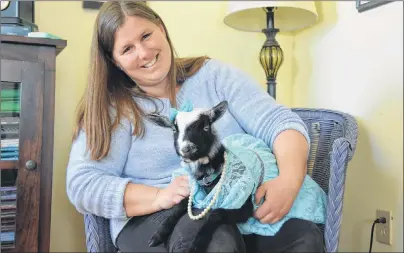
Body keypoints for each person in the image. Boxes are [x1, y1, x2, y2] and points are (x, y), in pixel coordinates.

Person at [66, 1, 325, 252]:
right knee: (218, 240)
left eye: (146, 36)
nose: (143, 53)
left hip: (230, 201)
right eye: (127, 49)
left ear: (161, 29)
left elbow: (280, 122)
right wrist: (158, 196)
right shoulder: (113, 110)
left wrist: (290, 180)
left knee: (303, 236)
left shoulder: (214, 76)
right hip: (153, 216)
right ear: (115, 61)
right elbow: (82, 184)